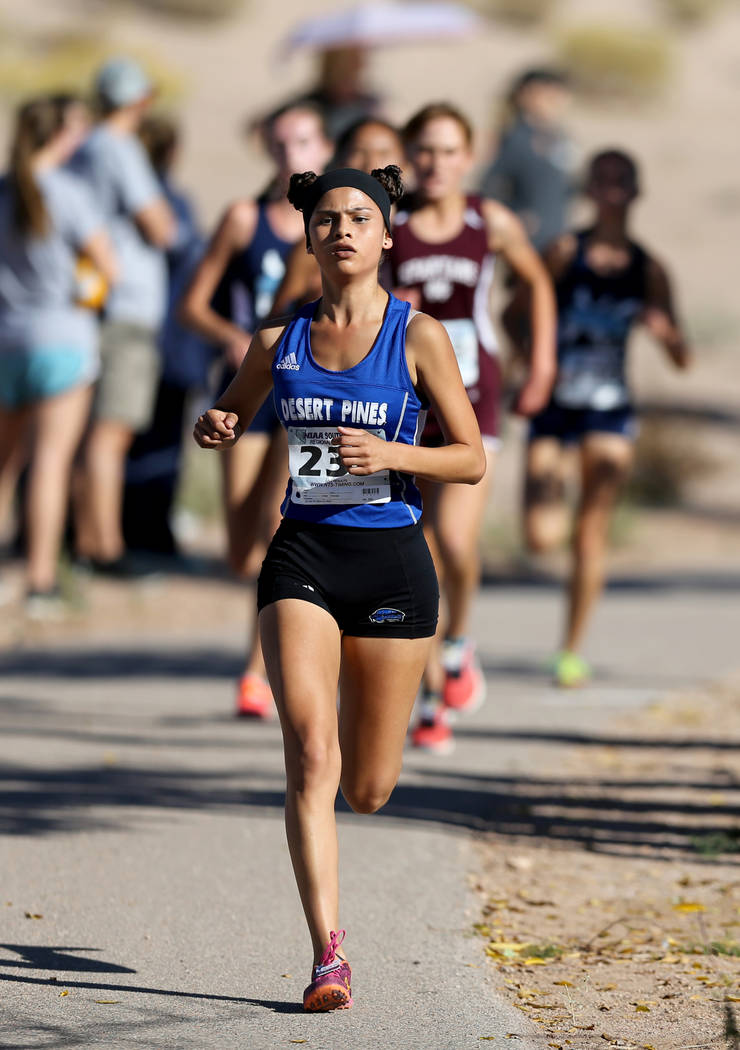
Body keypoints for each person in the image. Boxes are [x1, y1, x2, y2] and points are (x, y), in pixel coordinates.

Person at [193, 165, 485, 1010]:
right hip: (303, 558)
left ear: (387, 235)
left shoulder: (418, 336)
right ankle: (328, 955)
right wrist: (218, 424)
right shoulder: (275, 342)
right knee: (312, 755)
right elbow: (233, 412)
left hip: (393, 564)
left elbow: (470, 458)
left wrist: (391, 453)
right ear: (309, 236)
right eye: (327, 219)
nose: (343, 230)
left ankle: (368, 771)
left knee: (368, 788)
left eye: (361, 217)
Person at [390, 102, 556, 752]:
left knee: (456, 541)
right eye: (424, 150)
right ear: (409, 155)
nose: (435, 163)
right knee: (417, 549)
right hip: (408, 404)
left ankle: (458, 640)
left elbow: (537, 282)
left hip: (475, 398)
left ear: (470, 155)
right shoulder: (392, 223)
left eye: (448, 151)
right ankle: (432, 698)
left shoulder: (490, 221)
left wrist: (539, 363)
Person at [180, 100, 333, 718]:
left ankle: (259, 668)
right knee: (244, 550)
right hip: (249, 387)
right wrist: (231, 338)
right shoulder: (244, 218)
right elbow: (192, 305)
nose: (292, 154)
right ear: (266, 150)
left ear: (324, 148)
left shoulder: (338, 222)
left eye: (304, 142)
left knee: (283, 526)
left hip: (307, 391)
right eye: (281, 144)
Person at [524, 149, 691, 686]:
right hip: (554, 405)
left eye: (622, 181)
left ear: (636, 192)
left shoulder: (649, 269)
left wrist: (666, 335)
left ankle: (570, 651)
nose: (612, 190)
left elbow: (683, 357)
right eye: (602, 180)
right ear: (588, 189)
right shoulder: (563, 252)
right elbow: (514, 310)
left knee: (590, 533)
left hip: (610, 407)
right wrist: (530, 362)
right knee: (541, 535)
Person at [0, 95, 117, 617]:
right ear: (57, 135)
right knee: (50, 462)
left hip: (7, 338)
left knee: (5, 465)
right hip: (62, 339)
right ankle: (41, 579)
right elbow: (108, 266)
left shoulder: (5, 190)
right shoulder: (69, 193)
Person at [71, 56, 176, 575]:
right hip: (126, 305)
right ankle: (104, 547)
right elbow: (161, 227)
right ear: (141, 100)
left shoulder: (84, 147)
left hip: (96, 302)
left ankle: (84, 539)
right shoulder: (119, 147)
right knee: (110, 433)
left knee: (90, 430)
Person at [123, 115, 214, 558]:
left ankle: (128, 534)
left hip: (137, 339)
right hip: (171, 344)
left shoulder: (119, 202)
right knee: (160, 446)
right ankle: (152, 537)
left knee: (124, 441)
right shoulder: (173, 204)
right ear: (172, 152)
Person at [269, 117, 405, 317]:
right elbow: (279, 317)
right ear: (340, 159)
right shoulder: (321, 241)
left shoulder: (418, 230)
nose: (371, 162)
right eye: (359, 152)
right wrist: (318, 301)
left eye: (383, 153)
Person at [479, 67, 576, 253]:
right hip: (526, 242)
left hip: (558, 239)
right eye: (548, 93)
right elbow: (490, 186)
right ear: (525, 94)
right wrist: (513, 215)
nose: (556, 100)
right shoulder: (515, 137)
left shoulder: (561, 138)